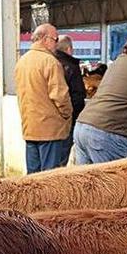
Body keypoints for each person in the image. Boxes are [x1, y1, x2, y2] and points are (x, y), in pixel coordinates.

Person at [74, 34, 127, 164]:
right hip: (108, 133)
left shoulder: (116, 63)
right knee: (116, 183)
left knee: (86, 183)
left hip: (82, 126)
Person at [14, 23, 73, 173]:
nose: (56, 43)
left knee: (32, 176)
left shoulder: (22, 61)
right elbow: (60, 96)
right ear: (46, 39)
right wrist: (68, 114)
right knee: (49, 178)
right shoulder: (50, 62)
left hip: (30, 127)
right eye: (55, 39)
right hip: (50, 130)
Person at [54, 35, 86, 165]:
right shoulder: (71, 66)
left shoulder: (50, 62)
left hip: (47, 121)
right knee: (61, 160)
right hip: (66, 121)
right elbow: (77, 95)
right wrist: (72, 115)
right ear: (69, 49)